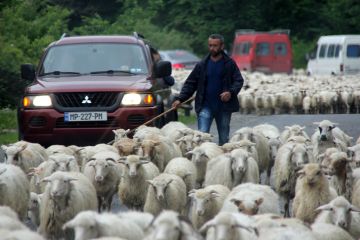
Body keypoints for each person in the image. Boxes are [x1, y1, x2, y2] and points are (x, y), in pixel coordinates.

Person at [172, 34, 243, 145]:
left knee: (224, 139)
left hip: (224, 108)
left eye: (215, 45)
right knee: (201, 137)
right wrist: (180, 99)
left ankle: (222, 160)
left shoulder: (230, 64)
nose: (212, 48)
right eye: (210, 45)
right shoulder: (202, 65)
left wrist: (231, 92)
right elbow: (190, 83)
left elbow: (238, 80)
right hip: (205, 106)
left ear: (222, 46)